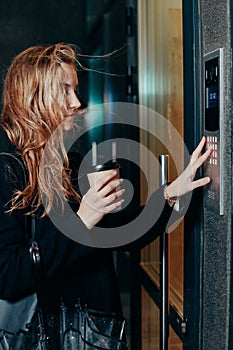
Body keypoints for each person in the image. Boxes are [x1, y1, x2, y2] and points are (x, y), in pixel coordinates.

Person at [0, 43, 212, 348]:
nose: (76, 102)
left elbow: (119, 232)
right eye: (64, 90)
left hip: (96, 333)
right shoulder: (6, 171)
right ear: (33, 97)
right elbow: (8, 276)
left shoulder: (69, 163)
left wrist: (169, 193)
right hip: (51, 337)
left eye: (75, 89)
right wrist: (82, 219)